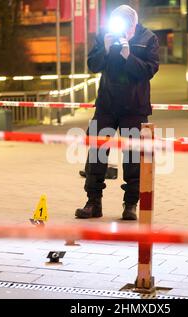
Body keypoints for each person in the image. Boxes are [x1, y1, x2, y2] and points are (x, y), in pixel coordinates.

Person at [75, 5, 160, 220]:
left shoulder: (148, 38)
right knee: (96, 153)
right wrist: (104, 48)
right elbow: (93, 65)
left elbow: (149, 71)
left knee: (132, 157)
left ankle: (130, 204)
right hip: (106, 105)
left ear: (133, 24)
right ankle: (93, 203)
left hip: (135, 107)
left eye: (126, 25)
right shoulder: (105, 35)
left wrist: (127, 55)